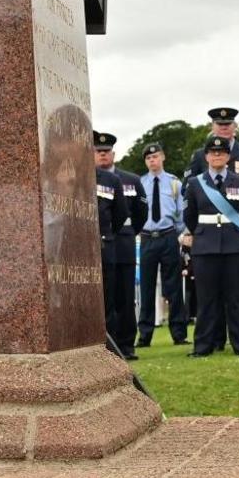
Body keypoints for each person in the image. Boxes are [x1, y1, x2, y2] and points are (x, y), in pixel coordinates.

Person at [186, 136, 239, 356]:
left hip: (235, 247)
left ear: (228, 156)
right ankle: (203, 347)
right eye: (212, 152)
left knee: (236, 298)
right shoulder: (195, 183)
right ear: (206, 156)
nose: (217, 155)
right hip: (205, 247)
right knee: (206, 300)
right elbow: (190, 216)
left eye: (222, 152)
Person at [94, 131, 145, 360]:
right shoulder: (84, 176)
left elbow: (139, 214)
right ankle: (108, 343)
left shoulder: (130, 180)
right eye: (98, 151)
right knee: (108, 298)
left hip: (121, 241)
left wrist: (126, 232)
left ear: (113, 154)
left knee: (125, 298)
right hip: (103, 244)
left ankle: (127, 345)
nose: (103, 155)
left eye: (106, 152)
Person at [136, 144, 190, 348]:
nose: (152, 160)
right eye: (148, 158)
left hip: (168, 236)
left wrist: (179, 234)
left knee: (173, 287)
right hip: (147, 237)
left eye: (155, 156)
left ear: (163, 157)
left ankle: (179, 333)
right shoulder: (140, 183)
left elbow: (181, 213)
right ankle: (145, 335)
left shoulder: (174, 183)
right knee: (147, 288)